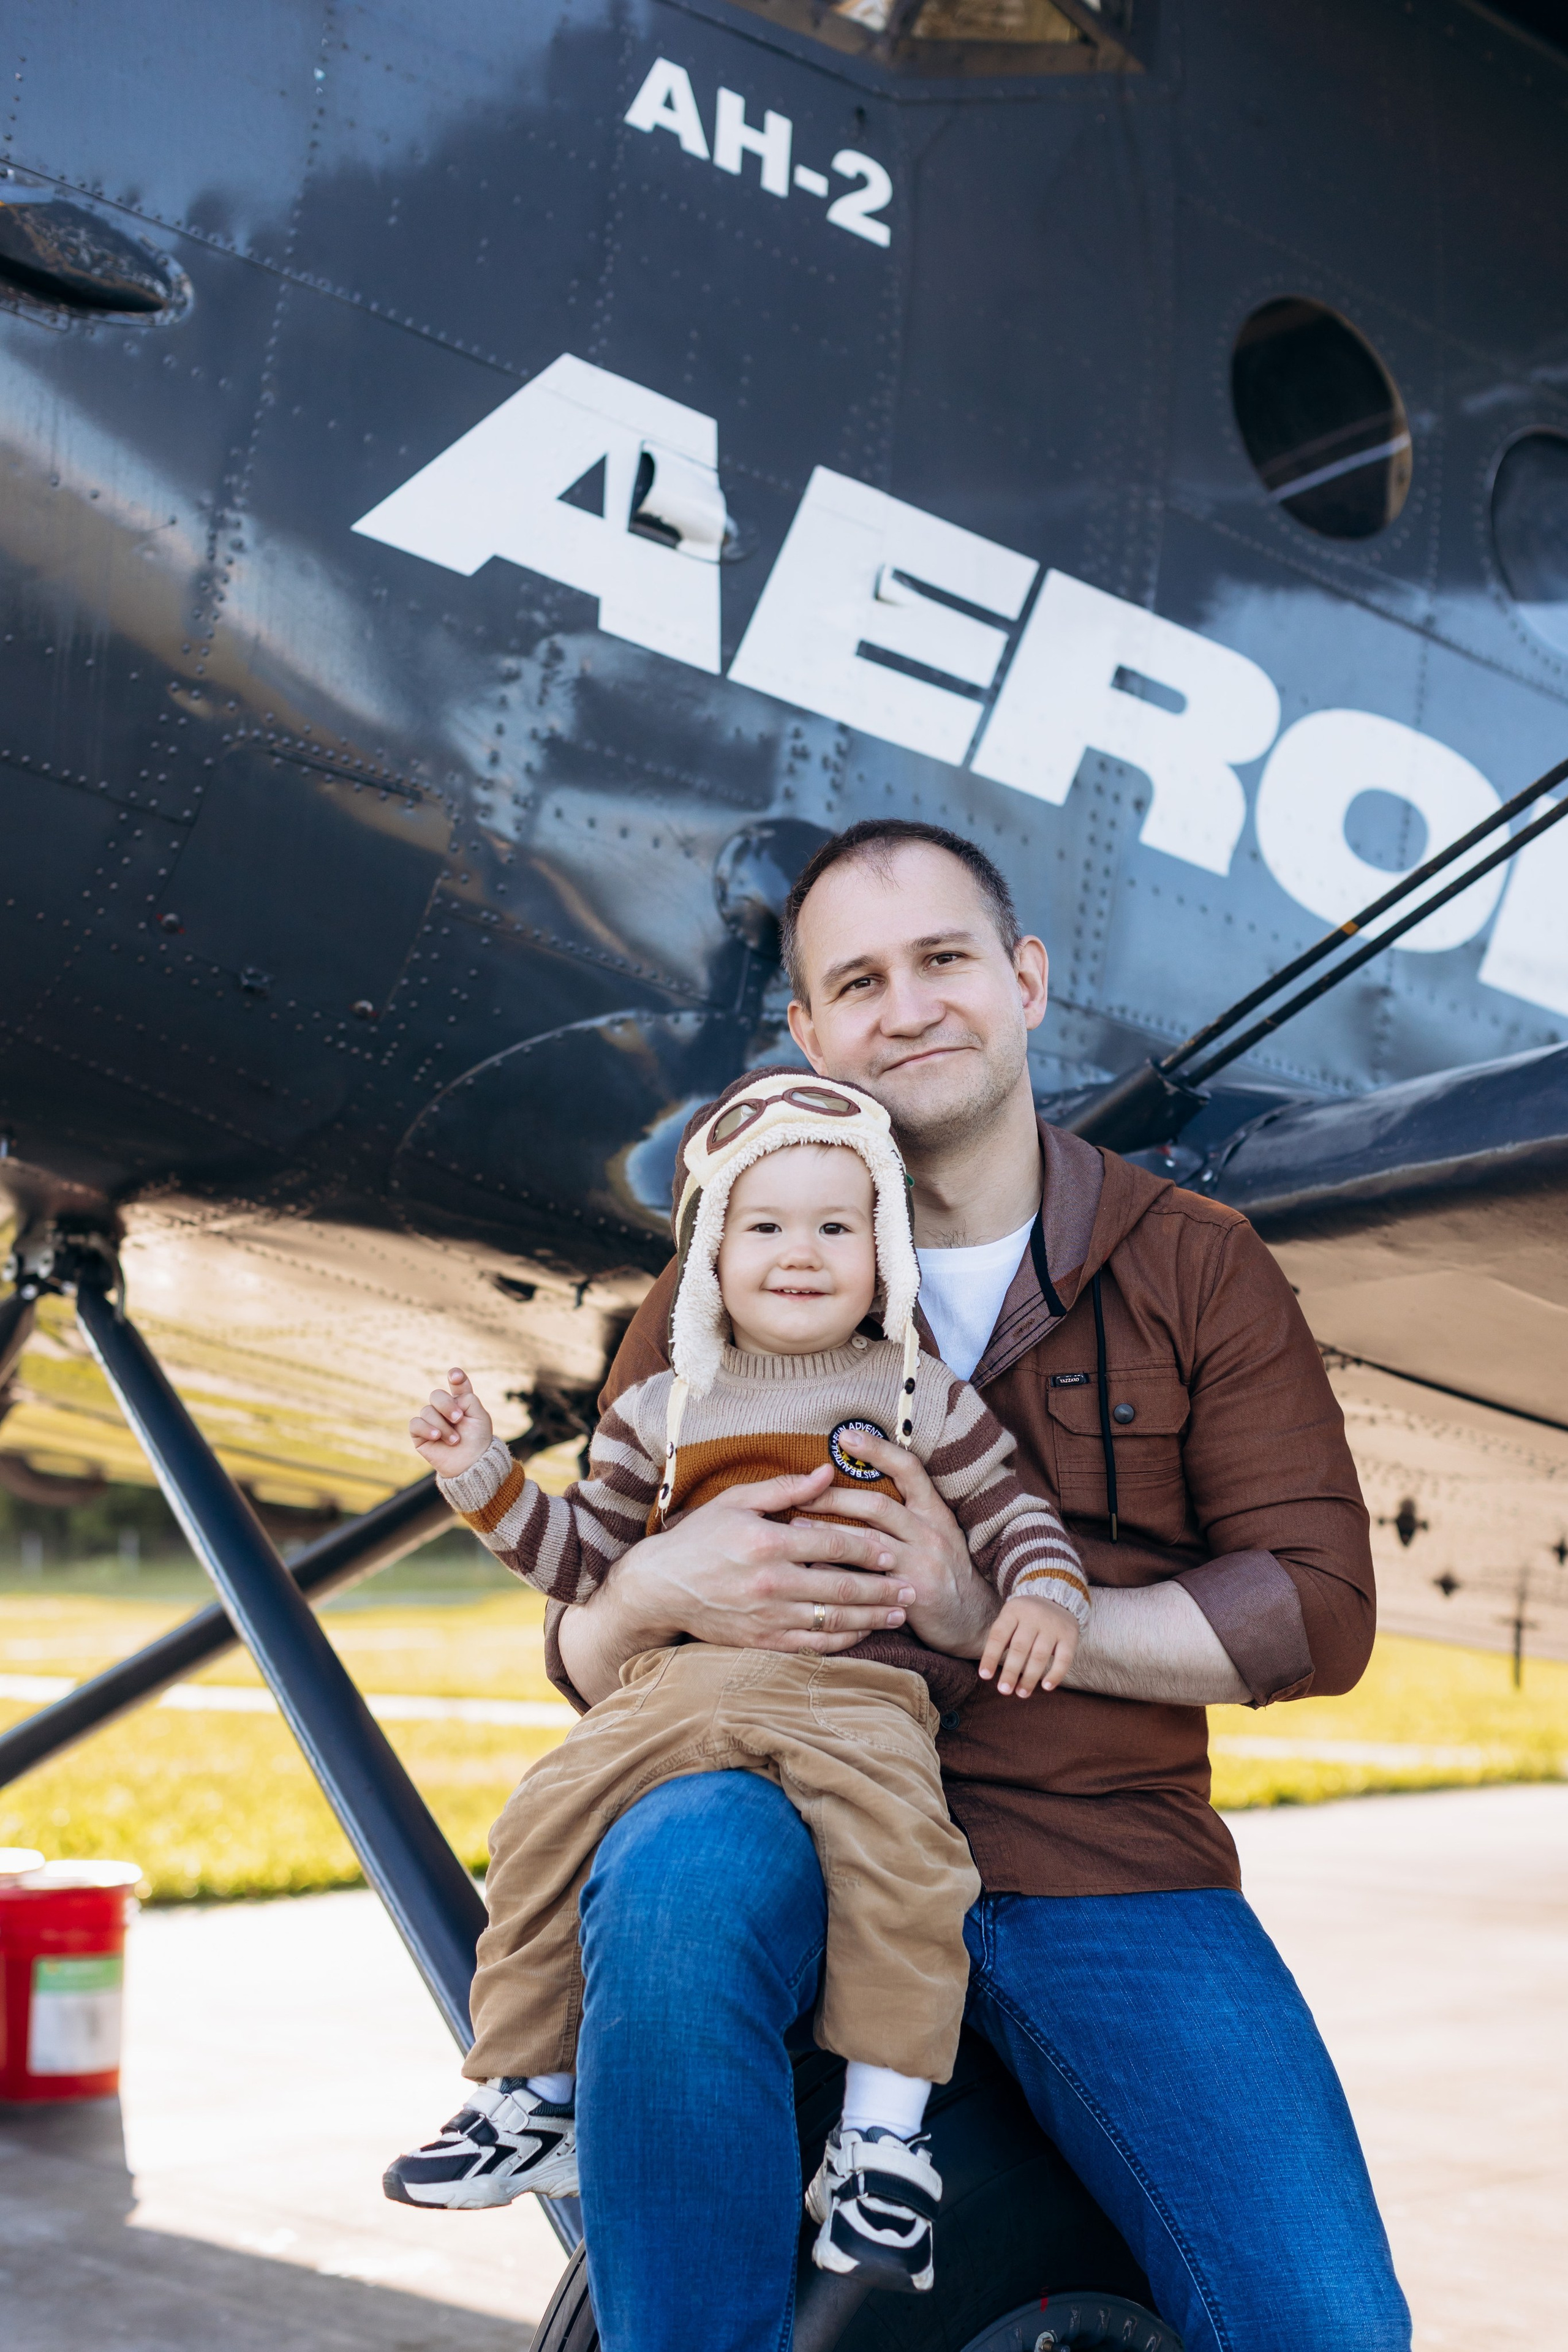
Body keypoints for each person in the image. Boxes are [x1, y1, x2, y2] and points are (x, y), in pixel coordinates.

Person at [531, 819, 1412, 2352]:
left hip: (1099, 1848)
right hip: (779, 1793)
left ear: (1023, 980)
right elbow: (583, 1645)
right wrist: (647, 1582)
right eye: (855, 982)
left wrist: (998, 1619)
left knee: (1324, 2323)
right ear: (805, 1033)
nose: (907, 1007)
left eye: (942, 960)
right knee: (670, 1879)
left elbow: (1317, 1605)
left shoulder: (1198, 1260)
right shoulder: (723, 1268)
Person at [385, 1078, 1089, 2292]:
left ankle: (880, 2145)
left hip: (857, 1697)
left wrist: (1040, 1596)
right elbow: (583, 1563)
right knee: (541, 1825)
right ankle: (534, 2093)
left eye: (837, 1225)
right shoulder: (660, 1410)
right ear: (709, 1253)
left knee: (906, 1872)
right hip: (678, 1693)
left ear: (885, 1253)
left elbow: (1015, 1514)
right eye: (763, 1227)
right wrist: (481, 1477)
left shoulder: (913, 1392)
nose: (801, 1254)